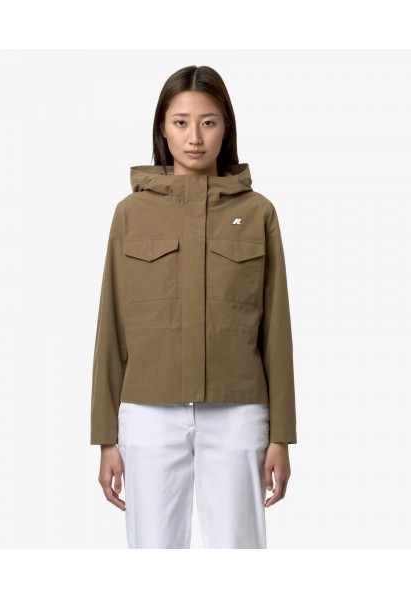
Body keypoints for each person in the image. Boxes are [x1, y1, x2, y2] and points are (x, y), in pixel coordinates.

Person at [90, 65, 297, 549]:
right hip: (148, 413)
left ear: (226, 128)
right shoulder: (131, 213)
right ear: (162, 129)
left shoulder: (258, 212)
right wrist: (105, 438)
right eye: (181, 122)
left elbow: (277, 330)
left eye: (208, 122)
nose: (195, 137)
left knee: (238, 552)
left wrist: (281, 435)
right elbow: (111, 328)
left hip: (239, 411)